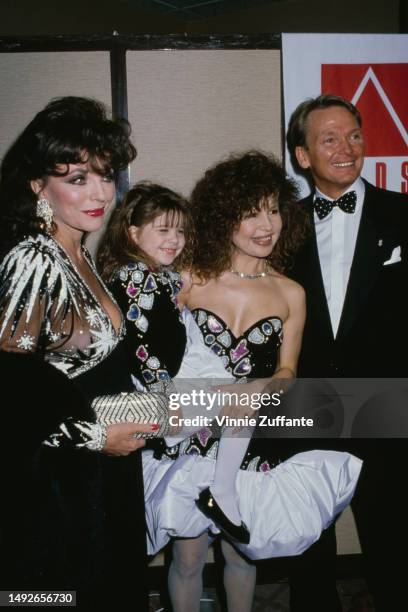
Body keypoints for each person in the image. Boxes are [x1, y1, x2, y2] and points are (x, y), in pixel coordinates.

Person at [98, 152, 362, 612]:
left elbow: (287, 371)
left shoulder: (291, 292)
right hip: (193, 433)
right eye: (250, 212)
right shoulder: (190, 277)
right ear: (225, 218)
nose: (267, 224)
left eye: (273, 209)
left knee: (244, 555)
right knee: (188, 556)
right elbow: (149, 336)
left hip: (250, 433)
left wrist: (267, 387)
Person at [0, 96, 168, 610]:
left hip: (98, 478)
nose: (99, 193)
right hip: (57, 489)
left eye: (105, 175)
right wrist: (96, 437)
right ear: (37, 185)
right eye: (77, 179)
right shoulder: (34, 259)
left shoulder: (79, 249)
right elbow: (9, 392)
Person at [286, 94, 408, 611]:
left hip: (386, 397)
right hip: (307, 396)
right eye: (329, 139)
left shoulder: (402, 214)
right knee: (309, 539)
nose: (346, 148)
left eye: (354, 136)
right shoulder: (280, 226)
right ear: (302, 156)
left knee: (393, 536)